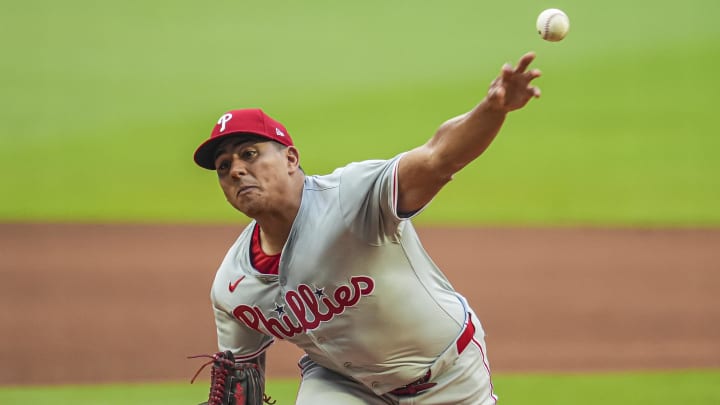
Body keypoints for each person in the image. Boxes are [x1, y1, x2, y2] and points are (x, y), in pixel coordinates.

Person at [192, 52, 541, 405]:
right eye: (223, 167)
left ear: (290, 159)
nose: (235, 171)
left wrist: (492, 110)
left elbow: (439, 158)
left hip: (450, 376)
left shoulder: (351, 197)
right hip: (343, 385)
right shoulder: (233, 286)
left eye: (249, 154)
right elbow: (239, 375)